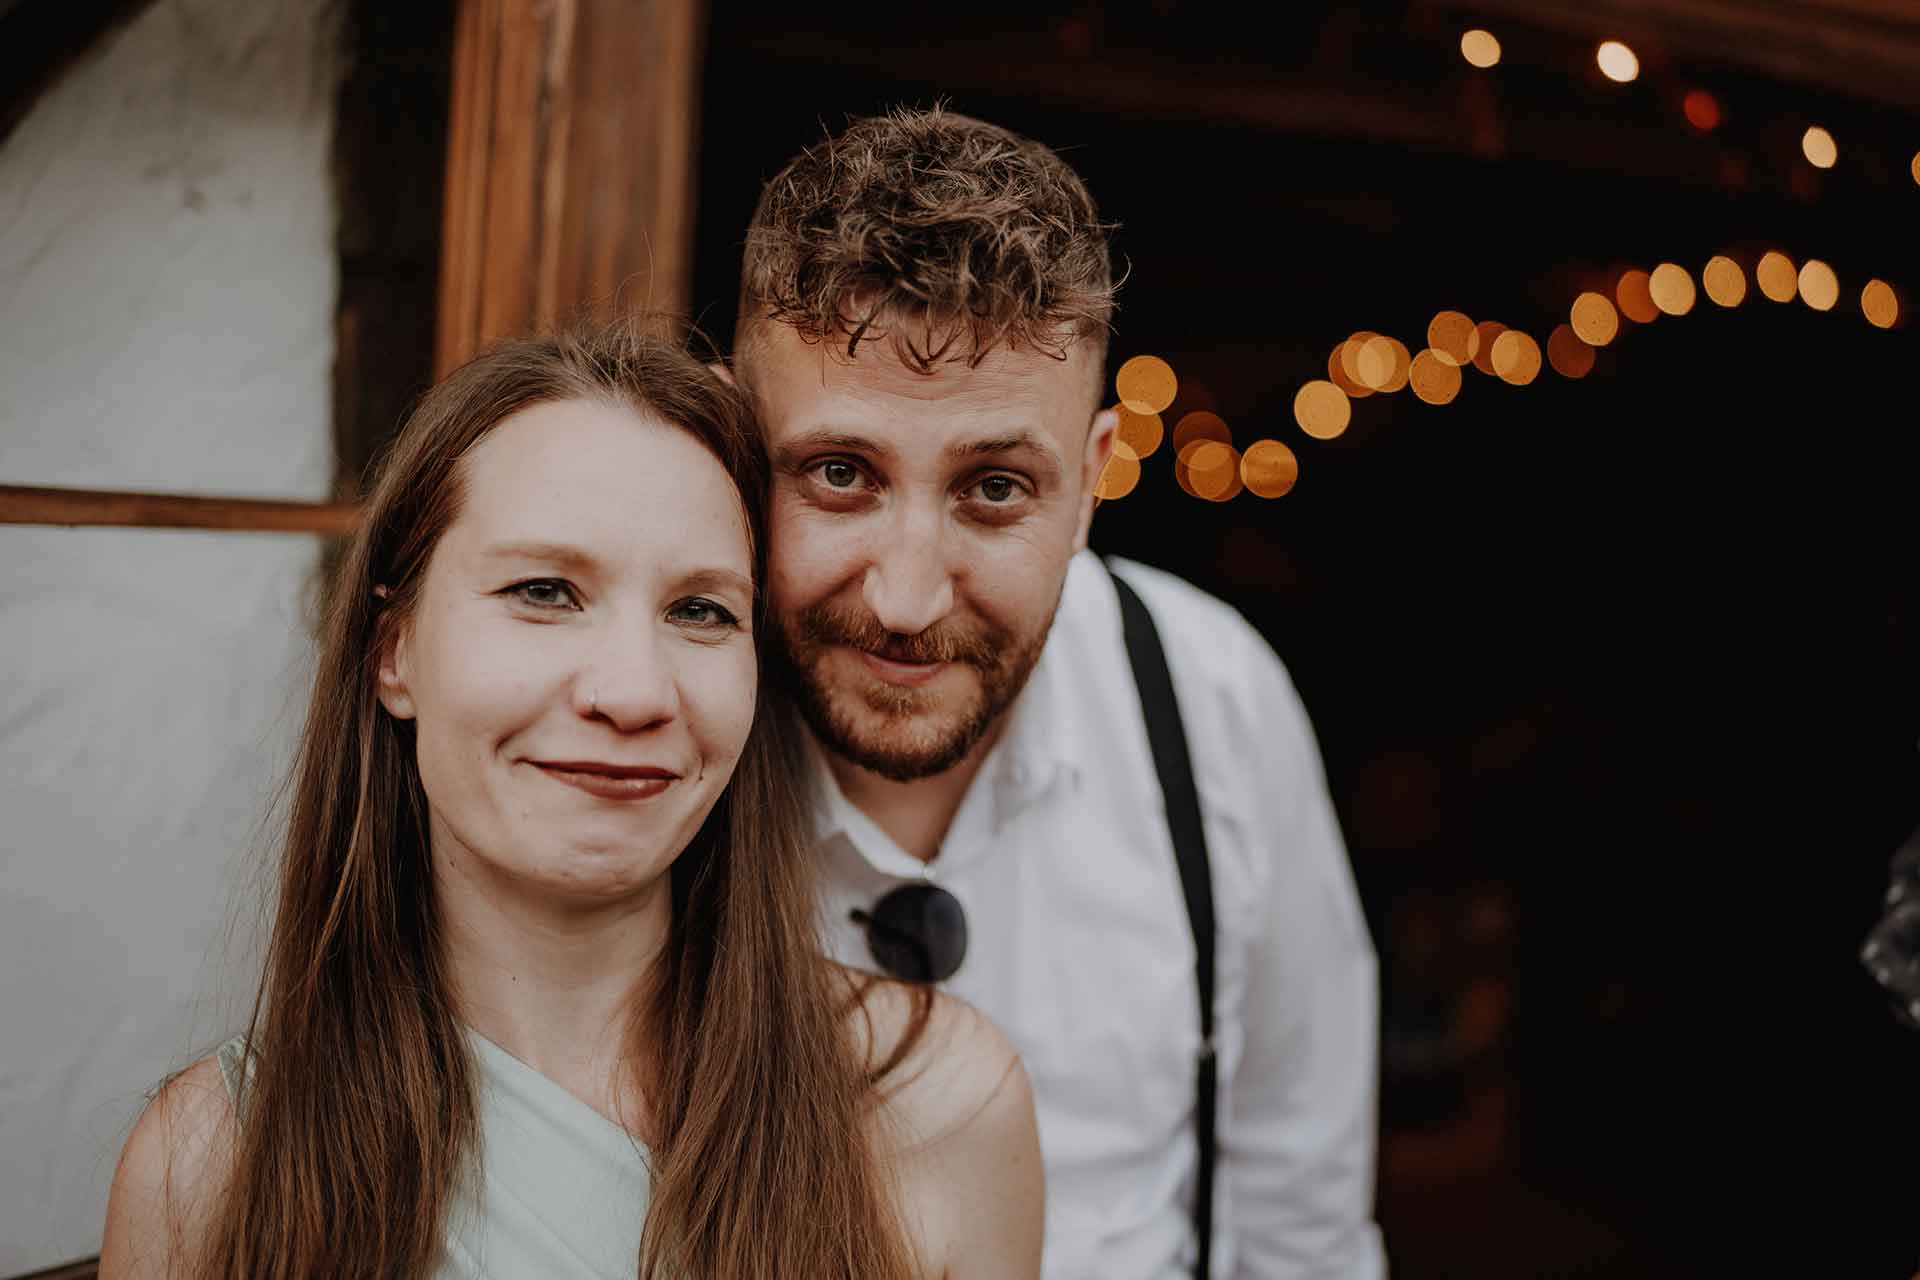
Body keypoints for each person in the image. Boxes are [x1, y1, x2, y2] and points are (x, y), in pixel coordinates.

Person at [98, 323, 1043, 1280]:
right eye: (545, 591)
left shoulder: (937, 1105)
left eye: (700, 611)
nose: (634, 692)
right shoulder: (211, 1167)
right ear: (395, 652)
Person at [733, 107, 1385, 1278]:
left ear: (1090, 483)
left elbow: (1304, 1222)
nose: (906, 598)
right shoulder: (648, 716)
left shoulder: (1214, 701)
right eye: (840, 474)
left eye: (993, 487)